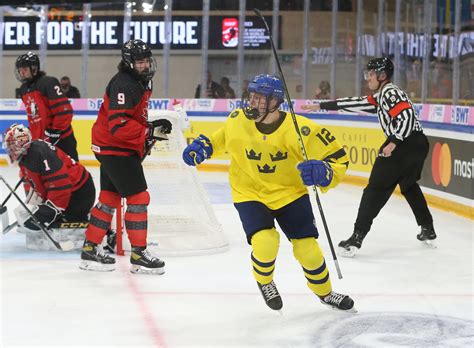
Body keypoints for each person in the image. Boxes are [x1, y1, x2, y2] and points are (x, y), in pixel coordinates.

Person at [183, 74, 355, 313]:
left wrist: (324, 171)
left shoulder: (301, 129)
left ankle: (325, 293)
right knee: (265, 242)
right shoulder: (237, 120)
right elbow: (220, 139)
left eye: (259, 98)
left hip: (290, 193)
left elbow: (338, 159)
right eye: (251, 96)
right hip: (249, 191)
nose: (253, 102)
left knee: (309, 250)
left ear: (275, 102)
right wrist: (204, 146)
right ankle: (265, 282)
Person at [302, 57, 436, 257]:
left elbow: (406, 116)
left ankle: (357, 236)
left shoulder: (390, 92)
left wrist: (393, 142)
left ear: (382, 76)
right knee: (408, 185)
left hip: (404, 144)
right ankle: (428, 228)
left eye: (371, 74)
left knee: (375, 189)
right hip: (417, 144)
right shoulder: (382, 96)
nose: (368, 79)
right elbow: (356, 103)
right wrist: (322, 106)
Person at [79, 39, 172, 274]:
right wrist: (147, 132)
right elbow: (118, 125)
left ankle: (90, 249)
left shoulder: (140, 81)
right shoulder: (124, 83)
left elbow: (131, 117)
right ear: (129, 62)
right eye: (140, 61)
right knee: (139, 198)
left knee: (109, 198)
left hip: (109, 146)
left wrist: (149, 127)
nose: (145, 65)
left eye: (147, 60)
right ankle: (139, 253)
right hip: (115, 147)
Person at [3, 124, 95, 241]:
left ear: (21, 143)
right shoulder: (26, 155)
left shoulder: (41, 154)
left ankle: (98, 224)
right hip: (70, 191)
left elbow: (61, 184)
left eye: (11, 145)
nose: (9, 150)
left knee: (60, 223)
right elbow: (31, 181)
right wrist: (34, 208)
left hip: (79, 194)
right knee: (40, 220)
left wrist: (52, 209)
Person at [15, 52, 79, 161]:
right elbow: (34, 117)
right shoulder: (24, 89)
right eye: (20, 70)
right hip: (41, 142)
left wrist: (54, 133)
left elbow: (64, 111)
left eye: (24, 69)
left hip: (61, 139)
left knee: (71, 174)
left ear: (34, 69)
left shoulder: (48, 82)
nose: (21, 73)